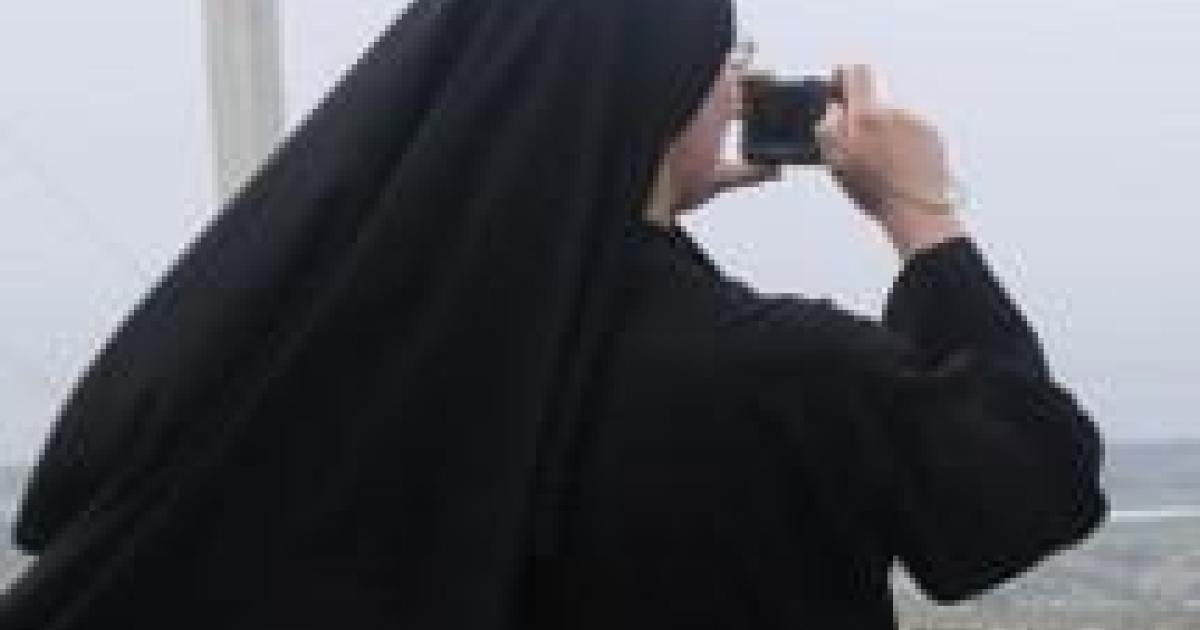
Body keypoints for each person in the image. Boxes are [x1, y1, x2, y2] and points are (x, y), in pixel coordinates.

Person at [3, 0, 1106, 628]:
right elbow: (1031, 481)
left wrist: (638, 198)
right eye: (723, 65)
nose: (736, 90)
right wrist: (919, 210)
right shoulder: (784, 372)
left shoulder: (340, 369)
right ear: (659, 94)